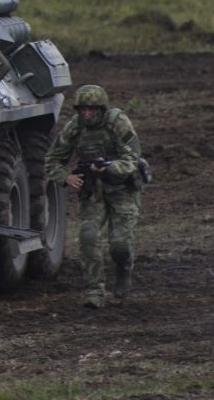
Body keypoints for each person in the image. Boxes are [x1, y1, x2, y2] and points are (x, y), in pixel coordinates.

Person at [43, 84, 145, 308]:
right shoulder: (75, 126)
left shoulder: (117, 122)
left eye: (91, 110)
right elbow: (52, 159)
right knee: (88, 236)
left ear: (101, 109)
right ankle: (94, 291)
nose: (86, 114)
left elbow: (133, 159)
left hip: (122, 190)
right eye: (82, 110)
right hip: (93, 192)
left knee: (120, 245)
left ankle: (124, 269)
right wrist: (65, 177)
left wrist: (109, 167)